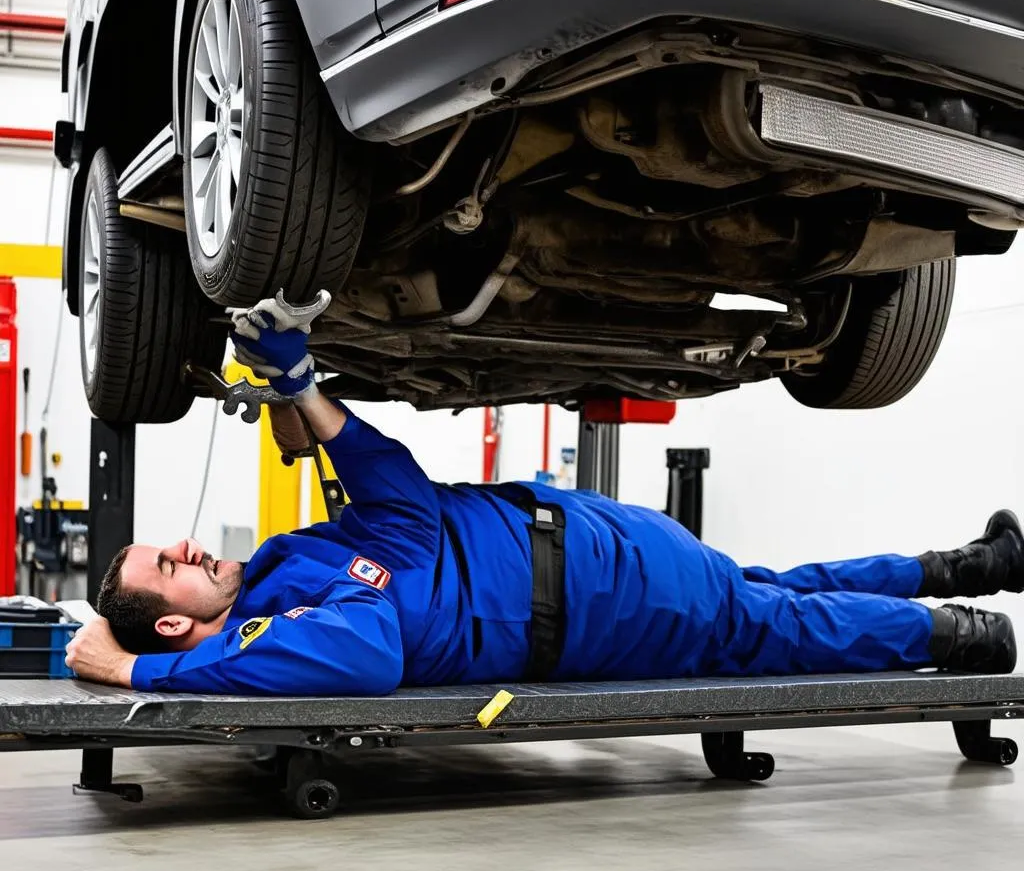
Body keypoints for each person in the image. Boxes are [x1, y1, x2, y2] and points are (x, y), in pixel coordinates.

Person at [66, 291, 1022, 696]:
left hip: (593, 540)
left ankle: (974, 566)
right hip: (604, 601)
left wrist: (303, 387)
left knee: (768, 589)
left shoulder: (285, 563)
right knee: (777, 623)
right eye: (170, 570)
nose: (185, 549)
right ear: (178, 629)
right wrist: (133, 675)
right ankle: (966, 634)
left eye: (167, 544)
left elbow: (401, 500)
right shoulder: (260, 630)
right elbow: (367, 649)